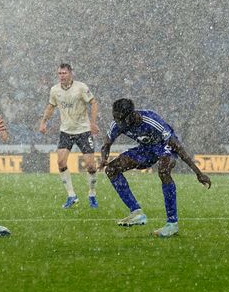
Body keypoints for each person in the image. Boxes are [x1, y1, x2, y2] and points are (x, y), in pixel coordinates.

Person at [100, 98, 211, 238]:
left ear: (131, 115)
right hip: (145, 149)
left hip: (164, 147)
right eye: (116, 119)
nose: (118, 123)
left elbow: (178, 147)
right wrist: (104, 157)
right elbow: (106, 144)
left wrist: (198, 173)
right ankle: (136, 212)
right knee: (111, 169)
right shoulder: (118, 123)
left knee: (164, 172)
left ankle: (172, 224)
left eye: (121, 120)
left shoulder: (151, 121)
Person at [38, 63, 100, 208]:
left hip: (83, 131)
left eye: (64, 73)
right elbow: (50, 106)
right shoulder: (54, 90)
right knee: (60, 162)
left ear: (71, 73)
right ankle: (72, 196)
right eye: (59, 73)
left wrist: (93, 122)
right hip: (66, 131)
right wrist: (43, 122)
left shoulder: (81, 87)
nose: (62, 76)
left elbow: (94, 102)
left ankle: (92, 194)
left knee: (91, 166)